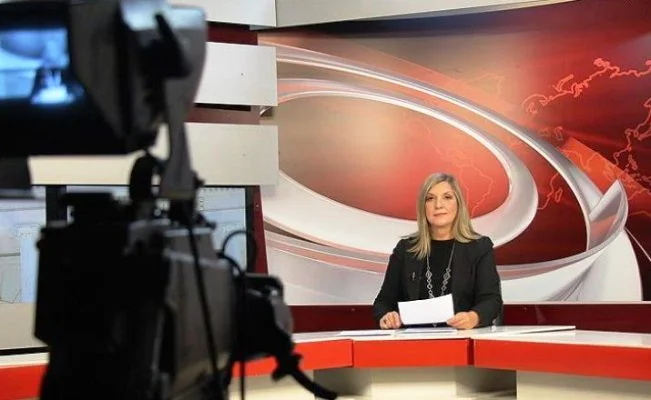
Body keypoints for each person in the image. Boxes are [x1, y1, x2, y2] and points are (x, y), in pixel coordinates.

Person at [373, 173, 503, 330]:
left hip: (461, 337)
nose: (438, 205)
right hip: (415, 340)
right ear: (423, 207)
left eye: (447, 197)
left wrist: (473, 318)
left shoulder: (479, 247)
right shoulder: (406, 249)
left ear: (459, 204)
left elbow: (491, 300)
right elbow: (383, 302)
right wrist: (387, 316)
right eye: (430, 199)